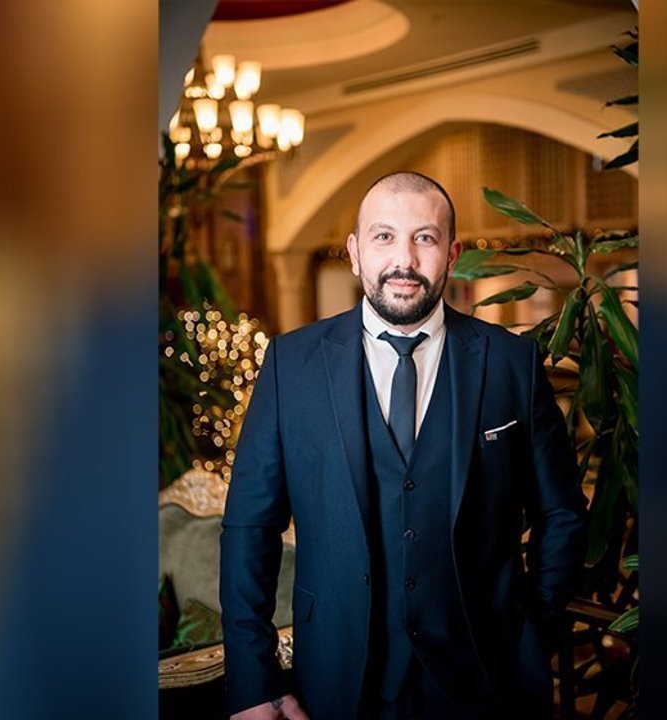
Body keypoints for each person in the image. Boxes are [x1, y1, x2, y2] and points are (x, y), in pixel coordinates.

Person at [220, 172, 587, 719]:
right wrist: (253, 680)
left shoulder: (512, 363)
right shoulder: (289, 366)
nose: (404, 260)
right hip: (339, 678)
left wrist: (535, 627)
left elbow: (561, 512)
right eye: (384, 236)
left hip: (486, 679)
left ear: (452, 254)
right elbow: (250, 528)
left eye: (425, 238)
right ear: (355, 253)